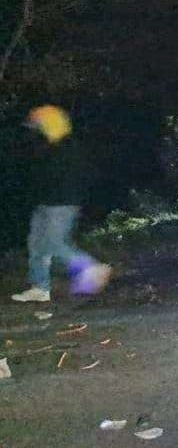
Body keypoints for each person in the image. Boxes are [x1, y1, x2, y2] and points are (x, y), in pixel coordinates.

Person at [12, 106, 111, 303]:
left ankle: (90, 267)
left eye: (38, 126)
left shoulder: (67, 147)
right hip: (45, 203)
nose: (34, 130)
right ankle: (40, 288)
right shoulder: (50, 146)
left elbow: (75, 177)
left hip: (62, 204)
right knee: (37, 246)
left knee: (54, 243)